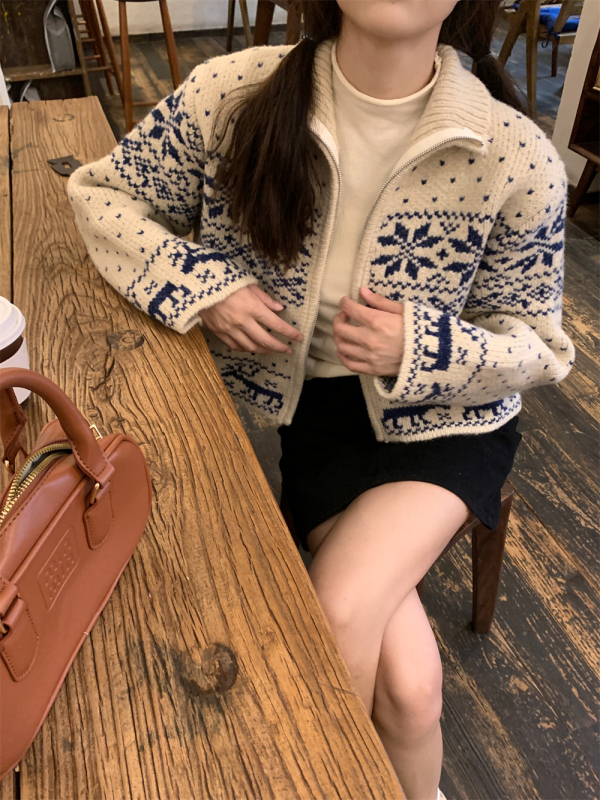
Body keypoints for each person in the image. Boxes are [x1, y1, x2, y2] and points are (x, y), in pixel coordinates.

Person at [68, 2, 576, 797]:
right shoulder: (230, 95)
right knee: (411, 687)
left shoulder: (515, 155)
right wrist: (206, 287)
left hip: (450, 425)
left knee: (338, 614)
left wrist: (423, 346)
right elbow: (102, 196)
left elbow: (541, 347)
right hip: (319, 423)